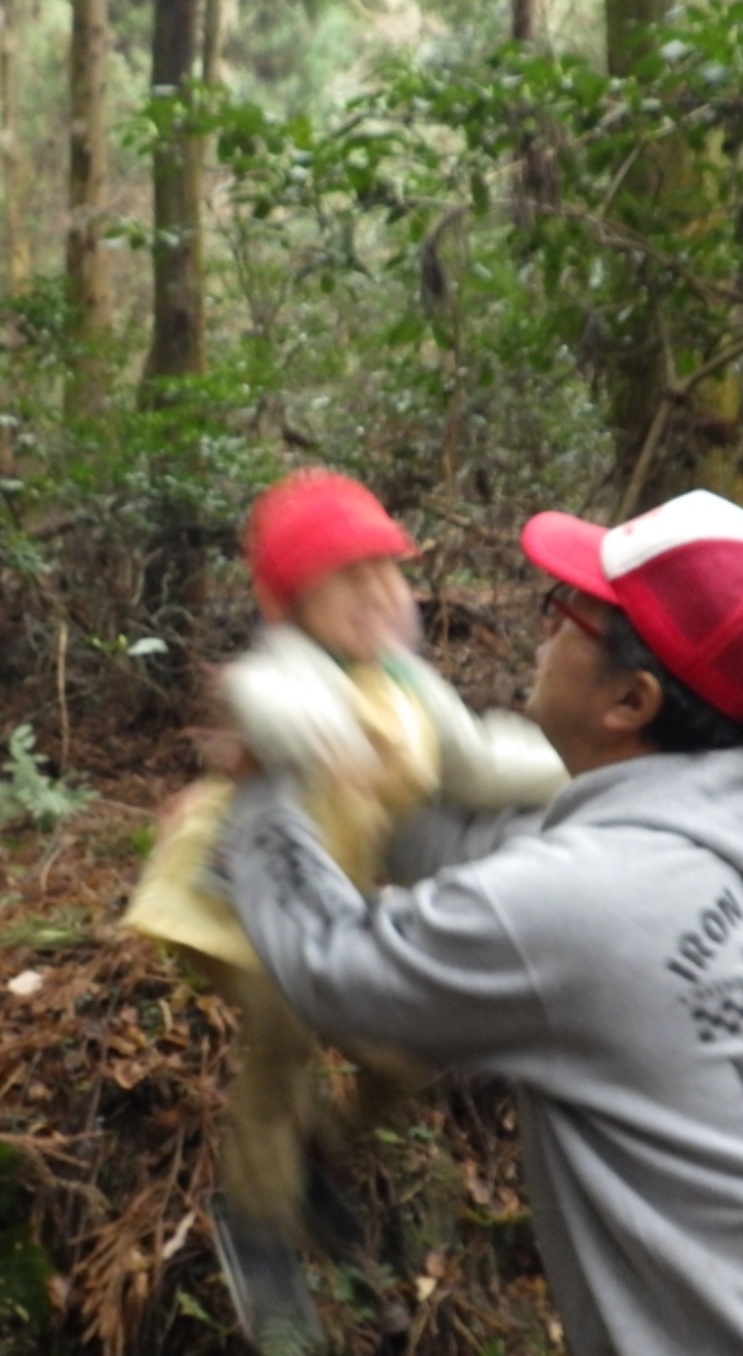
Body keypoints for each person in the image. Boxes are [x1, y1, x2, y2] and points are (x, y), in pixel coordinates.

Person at [216, 489, 743, 1356]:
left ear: (630, 701)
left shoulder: (586, 898)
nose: (544, 632)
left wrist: (265, 791)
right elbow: (488, 849)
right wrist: (359, 754)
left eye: (565, 612)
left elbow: (336, 967)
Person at [123, 468, 566, 1352]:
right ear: (293, 603)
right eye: (344, 579)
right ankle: (254, 1227)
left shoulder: (410, 683)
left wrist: (585, 770)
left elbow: (476, 765)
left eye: (385, 573)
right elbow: (264, 697)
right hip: (236, 898)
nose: (374, 596)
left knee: (406, 1051)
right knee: (282, 1051)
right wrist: (317, 731)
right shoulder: (293, 669)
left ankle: (314, 1154)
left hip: (329, 903)